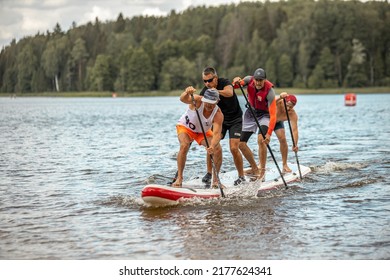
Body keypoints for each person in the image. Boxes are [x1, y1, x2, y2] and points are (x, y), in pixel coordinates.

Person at [199, 66, 246, 186]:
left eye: (209, 80)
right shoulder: (205, 91)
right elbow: (198, 104)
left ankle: (241, 176)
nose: (207, 84)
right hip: (220, 121)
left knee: (234, 147)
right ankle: (210, 173)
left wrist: (216, 92)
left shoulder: (224, 82)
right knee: (212, 145)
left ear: (216, 78)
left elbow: (230, 93)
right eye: (205, 81)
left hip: (235, 119)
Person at [172, 87, 224, 188]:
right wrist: (186, 92)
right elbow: (182, 99)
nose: (209, 105)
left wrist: (212, 146)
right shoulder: (197, 100)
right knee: (184, 145)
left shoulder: (218, 114)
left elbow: (217, 134)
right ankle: (179, 178)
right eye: (207, 102)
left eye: (212, 103)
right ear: (204, 98)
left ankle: (215, 181)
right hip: (186, 127)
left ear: (217, 101)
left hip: (202, 132)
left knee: (217, 149)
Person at [232, 67, 277, 181]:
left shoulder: (270, 91)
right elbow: (236, 86)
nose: (258, 82)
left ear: (265, 80)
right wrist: (236, 81)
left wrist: (269, 134)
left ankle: (262, 171)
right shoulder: (248, 79)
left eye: (261, 80)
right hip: (250, 113)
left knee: (261, 140)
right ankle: (254, 168)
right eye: (256, 80)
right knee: (241, 144)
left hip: (264, 115)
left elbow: (273, 115)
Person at [274, 92, 299, 173]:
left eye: (291, 107)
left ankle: (284, 165)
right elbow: (269, 101)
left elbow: (294, 130)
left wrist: (295, 144)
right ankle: (261, 165)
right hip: (267, 119)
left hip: (277, 123)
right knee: (262, 140)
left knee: (283, 140)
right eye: (287, 106)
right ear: (283, 102)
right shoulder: (278, 102)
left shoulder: (292, 114)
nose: (288, 109)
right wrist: (280, 97)